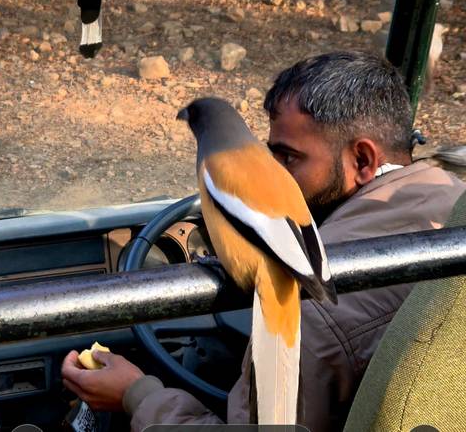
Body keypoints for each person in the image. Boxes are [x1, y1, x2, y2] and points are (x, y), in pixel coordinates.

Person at [62, 51, 466, 432]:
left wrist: (138, 395)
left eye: (288, 158)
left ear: (362, 160)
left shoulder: (309, 317)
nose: (270, 174)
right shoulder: (453, 196)